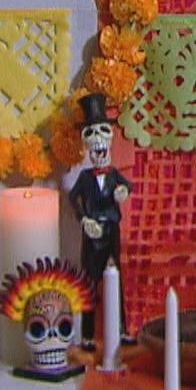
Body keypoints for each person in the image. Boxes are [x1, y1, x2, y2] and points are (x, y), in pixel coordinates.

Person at [67, 93, 130, 342]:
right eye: (90, 135)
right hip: (92, 235)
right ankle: (88, 335)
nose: (98, 145)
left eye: (102, 133)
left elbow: (126, 188)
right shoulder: (84, 178)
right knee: (90, 283)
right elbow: (74, 199)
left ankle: (121, 329)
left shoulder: (114, 175)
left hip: (111, 231)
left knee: (117, 281)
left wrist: (122, 191)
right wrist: (84, 220)